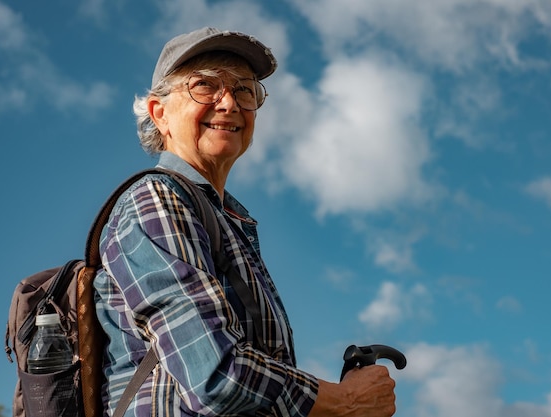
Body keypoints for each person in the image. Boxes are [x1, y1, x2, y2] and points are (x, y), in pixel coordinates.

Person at [94, 27, 397, 417]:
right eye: (204, 86)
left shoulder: (225, 219)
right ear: (160, 113)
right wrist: (346, 400)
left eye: (243, 90)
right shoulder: (158, 199)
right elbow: (216, 377)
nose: (228, 103)